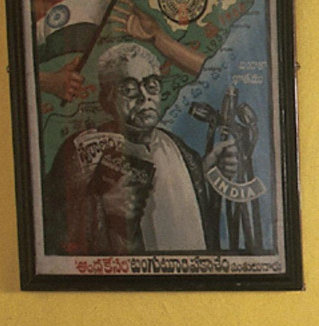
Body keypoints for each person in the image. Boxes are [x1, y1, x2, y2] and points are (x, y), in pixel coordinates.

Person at [42, 42, 236, 254]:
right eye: (129, 89)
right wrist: (103, 205)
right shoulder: (77, 153)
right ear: (106, 100)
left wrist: (208, 173)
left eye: (151, 85)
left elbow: (192, 207)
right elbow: (53, 223)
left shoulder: (181, 150)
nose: (145, 97)